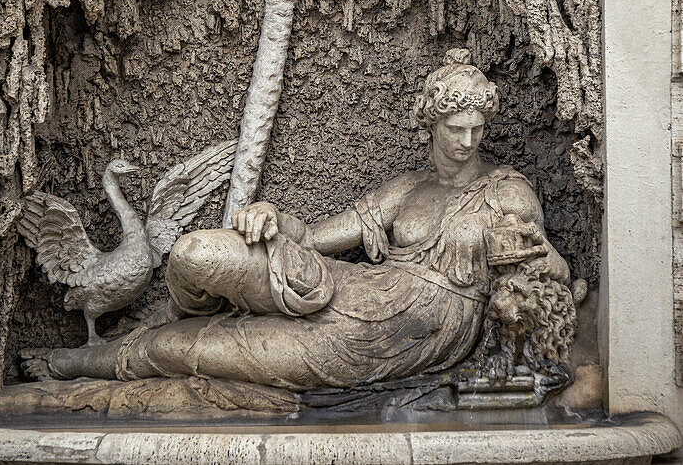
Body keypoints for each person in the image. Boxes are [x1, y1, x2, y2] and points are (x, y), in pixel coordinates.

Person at [29, 49, 570, 387]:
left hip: (404, 333)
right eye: (456, 127)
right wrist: (273, 216)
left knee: (206, 353)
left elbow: (549, 275)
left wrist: (538, 260)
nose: (468, 140)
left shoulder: (508, 191)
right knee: (195, 252)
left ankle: (76, 362)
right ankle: (176, 312)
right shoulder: (407, 188)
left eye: (477, 127)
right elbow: (315, 236)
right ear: (431, 125)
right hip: (356, 286)